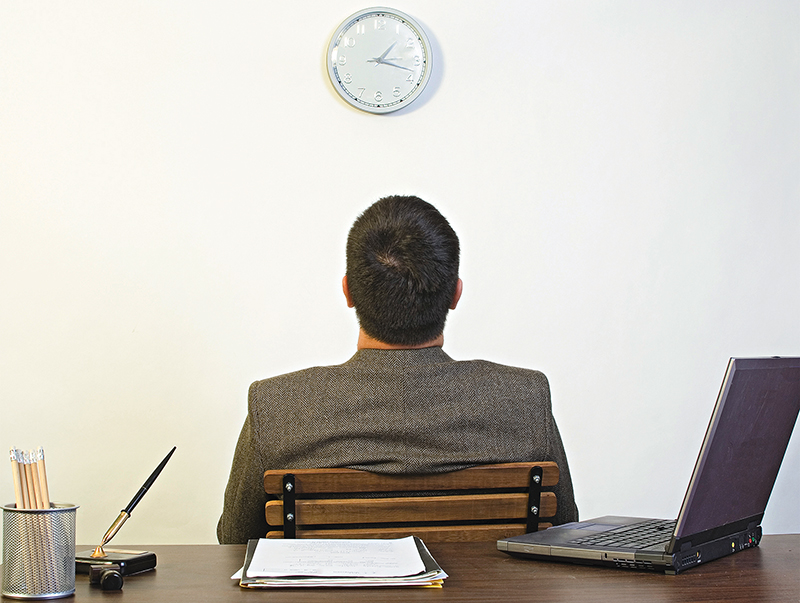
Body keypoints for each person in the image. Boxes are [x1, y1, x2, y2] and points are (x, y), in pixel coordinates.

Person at [217, 195, 578, 544]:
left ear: (348, 292)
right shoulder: (523, 400)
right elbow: (564, 530)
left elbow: (233, 540)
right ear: (455, 294)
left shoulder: (279, 407)